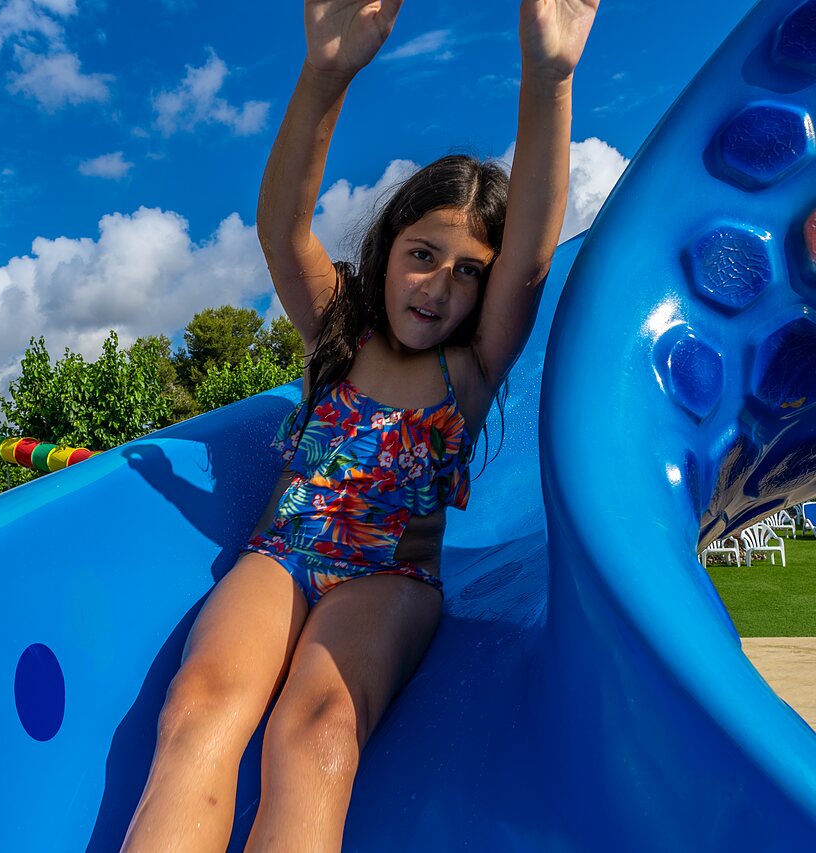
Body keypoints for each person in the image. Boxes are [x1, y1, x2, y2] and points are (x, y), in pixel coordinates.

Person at [122, 1, 598, 849]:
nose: (438, 286)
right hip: (282, 556)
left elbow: (530, 255)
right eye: (423, 254)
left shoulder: (471, 367)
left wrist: (549, 76)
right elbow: (282, 230)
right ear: (388, 248)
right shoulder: (340, 330)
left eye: (468, 272)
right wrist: (326, 73)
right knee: (198, 706)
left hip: (388, 580)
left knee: (318, 728)